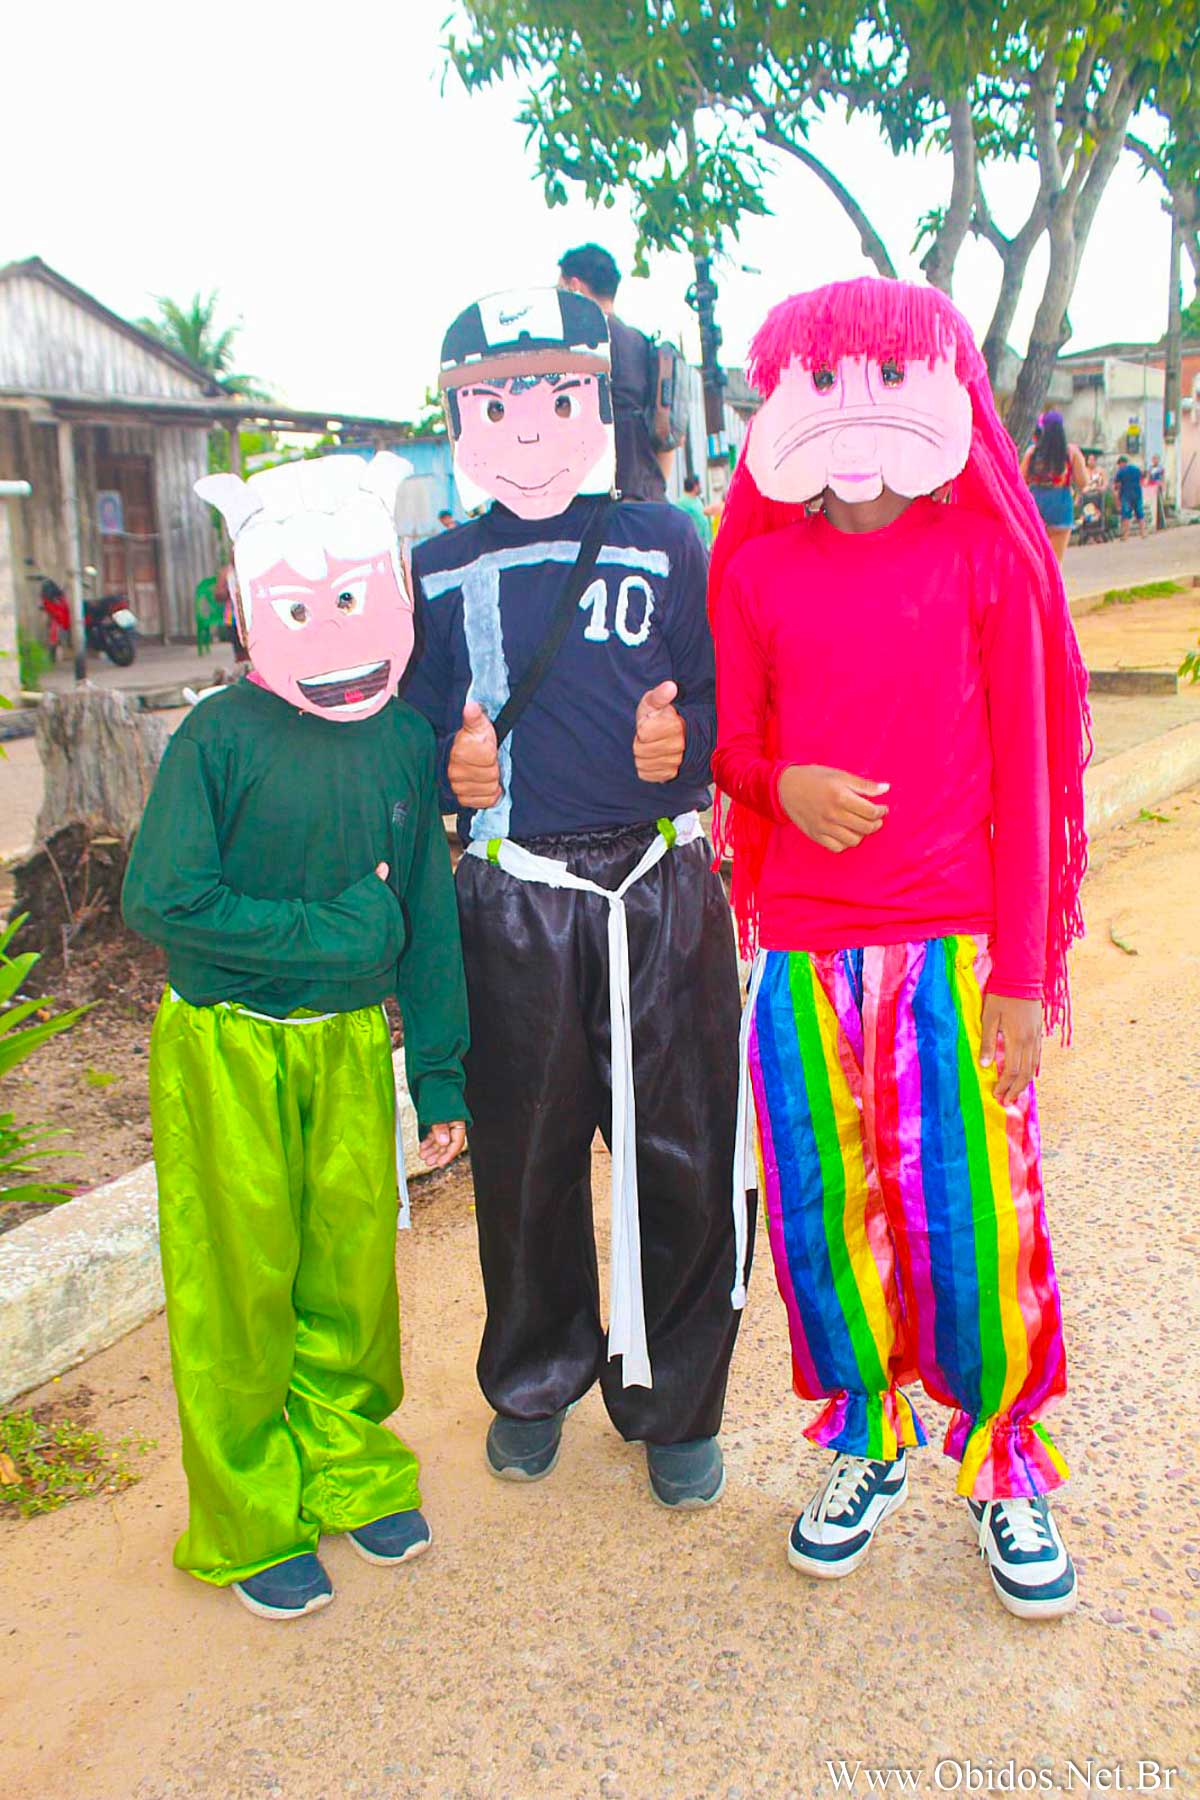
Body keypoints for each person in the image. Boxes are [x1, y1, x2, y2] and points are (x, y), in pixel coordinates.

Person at [710, 277, 1090, 1619]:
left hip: (952, 950)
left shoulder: (984, 559)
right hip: (804, 951)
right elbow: (733, 748)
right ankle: (864, 1439)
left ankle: (1004, 1463)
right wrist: (782, 786)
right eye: (822, 384)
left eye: (886, 377)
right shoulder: (755, 571)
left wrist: (1025, 976)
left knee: (978, 1213)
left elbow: (1030, 777)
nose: (852, 412)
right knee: (826, 1207)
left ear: (942, 393)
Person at [407, 286, 749, 1508]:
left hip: (659, 891)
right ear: (458, 420)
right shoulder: (434, 570)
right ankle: (534, 1375)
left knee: (683, 1151)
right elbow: (406, 735)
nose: (530, 428)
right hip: (518, 902)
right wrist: (449, 775)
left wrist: (687, 739)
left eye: (557, 398)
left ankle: (674, 1400)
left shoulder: (668, 537)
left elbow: (725, 693)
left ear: (602, 403)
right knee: (528, 1156)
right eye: (496, 404)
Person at [123, 454, 470, 1622]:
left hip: (348, 1048)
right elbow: (162, 899)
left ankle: (349, 1466)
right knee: (238, 1283)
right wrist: (329, 935)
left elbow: (423, 911)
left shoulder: (402, 740)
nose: (334, 629)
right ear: (249, 607)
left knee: (350, 1273)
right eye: (301, 607)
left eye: (355, 597)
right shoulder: (216, 738)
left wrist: (440, 1071)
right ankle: (250, 1515)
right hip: (226, 1047)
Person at [558, 242, 671, 502]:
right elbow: (669, 436)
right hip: (648, 498)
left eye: (559, 290)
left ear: (574, 287)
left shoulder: (574, 346)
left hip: (596, 505)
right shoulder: (645, 345)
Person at [1020, 409, 1086, 565]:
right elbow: (1082, 482)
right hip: (1061, 507)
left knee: (1036, 561)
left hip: (1035, 507)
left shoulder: (1033, 452)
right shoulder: (1071, 453)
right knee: (1055, 563)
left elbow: (1020, 481)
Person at [1113, 455, 1147, 539]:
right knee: (1140, 513)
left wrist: (1117, 496)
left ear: (1121, 463)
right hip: (1137, 494)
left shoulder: (1120, 472)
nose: (1119, 466)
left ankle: (1125, 535)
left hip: (1126, 495)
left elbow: (1117, 485)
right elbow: (1143, 476)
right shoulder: (1136, 469)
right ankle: (1143, 533)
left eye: (1119, 464)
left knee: (1126, 515)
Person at [675, 472, 712, 548]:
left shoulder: (697, 499)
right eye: (699, 485)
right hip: (693, 545)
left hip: (704, 544)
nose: (701, 487)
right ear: (695, 486)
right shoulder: (682, 503)